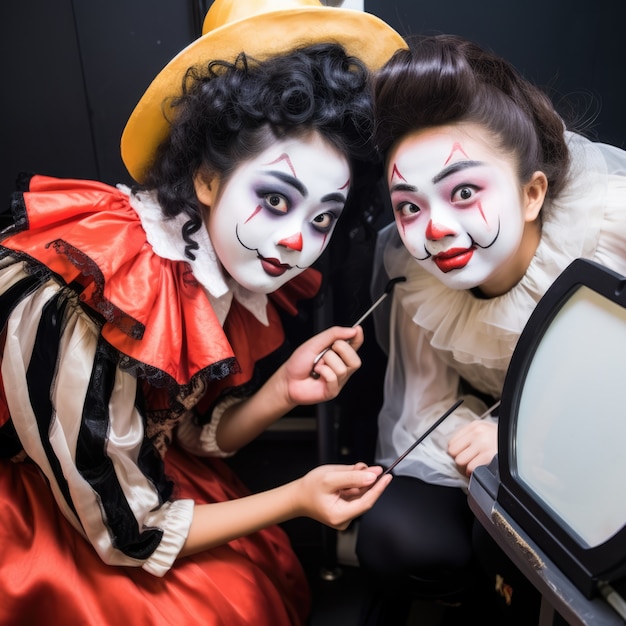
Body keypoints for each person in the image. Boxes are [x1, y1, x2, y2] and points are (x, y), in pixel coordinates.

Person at [0, 1, 406, 624]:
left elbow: (183, 433)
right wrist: (295, 498)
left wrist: (282, 391)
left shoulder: (221, 263)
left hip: (123, 477)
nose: (298, 241)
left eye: (322, 216)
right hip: (46, 501)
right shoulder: (95, 291)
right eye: (275, 199)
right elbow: (126, 536)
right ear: (207, 179)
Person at [355, 34, 626, 625]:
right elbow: (424, 410)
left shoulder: (609, 229)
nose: (435, 230)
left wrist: (522, 438)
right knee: (401, 535)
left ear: (532, 194)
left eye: (465, 192)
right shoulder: (416, 276)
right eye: (410, 206)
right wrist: (488, 443)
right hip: (489, 433)